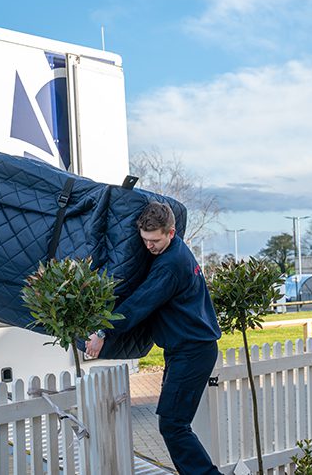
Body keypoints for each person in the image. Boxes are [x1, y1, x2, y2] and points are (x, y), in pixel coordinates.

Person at [85, 201, 221, 475]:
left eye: (155, 240)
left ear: (171, 232)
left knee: (173, 424)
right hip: (186, 349)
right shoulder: (176, 250)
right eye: (144, 240)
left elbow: (139, 304)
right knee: (173, 423)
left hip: (192, 352)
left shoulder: (171, 265)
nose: (149, 246)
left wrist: (102, 331)